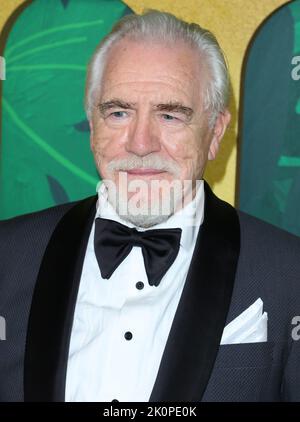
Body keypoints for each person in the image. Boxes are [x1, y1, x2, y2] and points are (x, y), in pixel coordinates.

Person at [0, 10, 299, 403]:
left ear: (215, 132)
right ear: (93, 126)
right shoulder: (7, 254)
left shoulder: (290, 273)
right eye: (119, 112)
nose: (141, 144)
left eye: (170, 115)